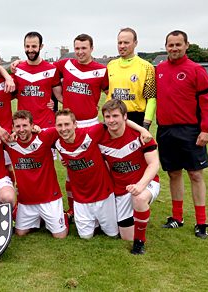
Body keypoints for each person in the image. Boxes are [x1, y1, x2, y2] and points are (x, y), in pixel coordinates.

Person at [156, 30, 208, 239]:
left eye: (178, 44)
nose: (174, 48)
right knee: (173, 173)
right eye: (170, 45)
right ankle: (177, 217)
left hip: (190, 130)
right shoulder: (160, 70)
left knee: (195, 175)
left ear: (186, 45)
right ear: (166, 46)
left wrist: (206, 129)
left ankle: (201, 222)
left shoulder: (196, 70)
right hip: (165, 130)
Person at [52, 33, 110, 218]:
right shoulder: (65, 64)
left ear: (92, 48)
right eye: (77, 48)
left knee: (97, 166)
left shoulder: (101, 70)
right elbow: (46, 73)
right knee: (72, 169)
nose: (80, 52)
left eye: (84, 48)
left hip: (91, 124)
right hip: (69, 126)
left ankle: (103, 204)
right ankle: (73, 209)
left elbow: (110, 94)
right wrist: (59, 98)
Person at [99, 99, 160, 255]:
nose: (111, 120)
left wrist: (140, 185)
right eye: (107, 116)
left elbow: (154, 164)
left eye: (115, 116)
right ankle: (137, 216)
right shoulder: (100, 137)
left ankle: (139, 244)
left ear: (125, 116)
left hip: (146, 182)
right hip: (120, 189)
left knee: (139, 198)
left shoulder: (142, 136)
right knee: (125, 236)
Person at [53, 109, 117, 239]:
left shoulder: (91, 133)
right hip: (81, 199)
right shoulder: (57, 142)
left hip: (103, 194)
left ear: (75, 124)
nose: (63, 129)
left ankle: (102, 219)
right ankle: (90, 220)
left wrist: (143, 130)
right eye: (59, 125)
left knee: (113, 235)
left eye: (67, 124)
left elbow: (115, 122)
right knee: (85, 237)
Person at [4, 110, 67, 238]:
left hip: (50, 198)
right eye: (18, 126)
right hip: (26, 201)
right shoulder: (10, 143)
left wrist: (67, 156)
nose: (21, 130)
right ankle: (38, 218)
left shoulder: (44, 136)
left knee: (60, 236)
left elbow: (66, 131)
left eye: (25, 125)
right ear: (13, 128)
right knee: (20, 233)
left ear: (32, 126)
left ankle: (63, 215)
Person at [106, 28, 156, 129]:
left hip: (136, 117)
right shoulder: (110, 65)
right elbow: (106, 89)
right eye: (119, 43)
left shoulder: (146, 66)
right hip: (112, 116)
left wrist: (146, 123)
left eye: (126, 42)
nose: (122, 46)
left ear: (135, 43)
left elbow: (151, 98)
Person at [13, 31, 63, 129]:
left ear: (41, 46)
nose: (30, 50)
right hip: (24, 126)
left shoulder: (52, 69)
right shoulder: (17, 69)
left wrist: (87, 108)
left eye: (34, 46)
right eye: (27, 46)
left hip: (46, 124)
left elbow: (60, 97)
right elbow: (9, 95)